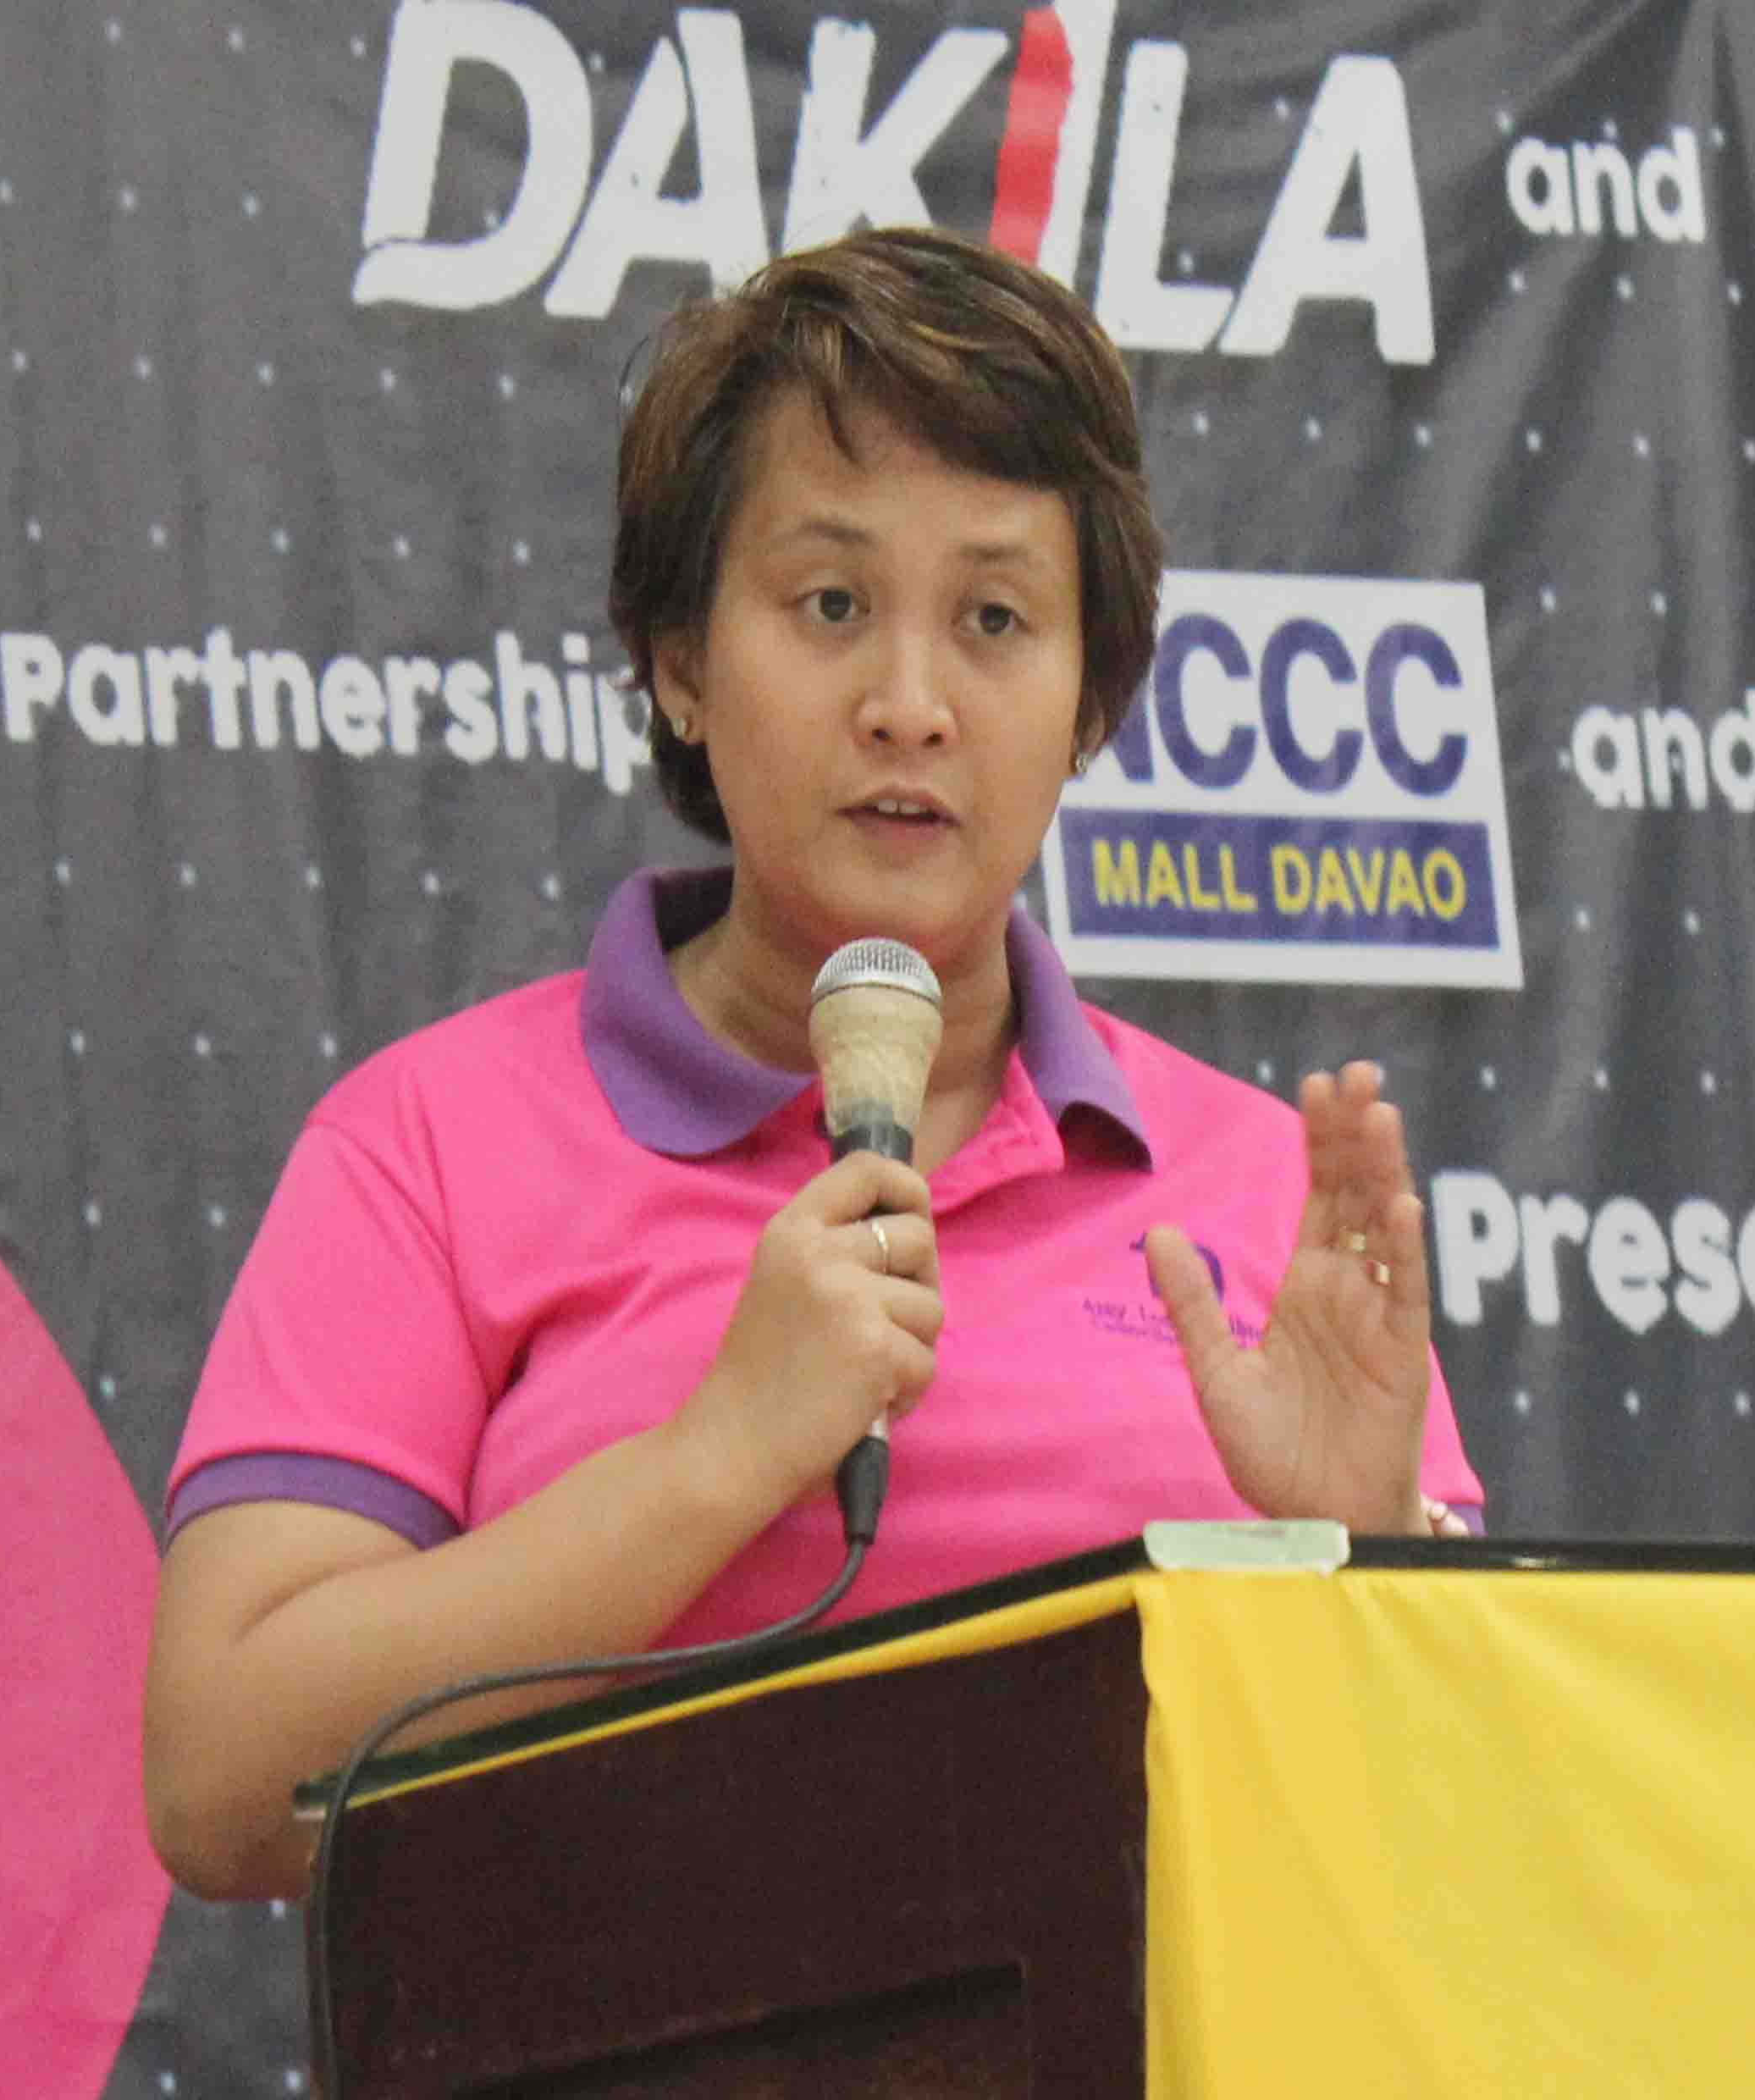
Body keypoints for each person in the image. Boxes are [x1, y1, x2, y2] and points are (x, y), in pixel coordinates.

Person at [142, 228, 1484, 1901]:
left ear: (1086, 699)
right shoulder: (427, 1141)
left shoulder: (1255, 1186)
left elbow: (1462, 1849)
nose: (908, 703)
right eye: (831, 603)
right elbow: (221, 1780)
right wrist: (718, 1453)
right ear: (681, 661)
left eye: (995, 617)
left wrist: (1362, 1559)